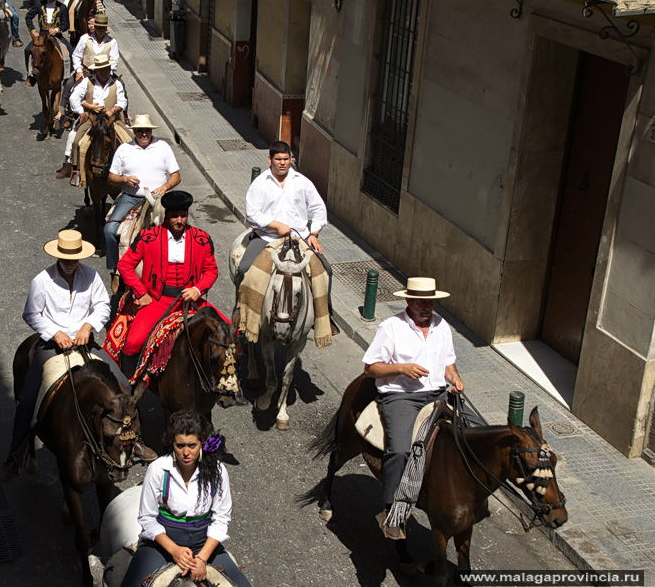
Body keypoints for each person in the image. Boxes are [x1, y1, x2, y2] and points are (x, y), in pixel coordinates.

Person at [2, 229, 129, 476]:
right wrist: (54, 333)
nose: (71, 263)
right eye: (66, 258)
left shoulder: (91, 277)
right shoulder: (42, 281)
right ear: (58, 257)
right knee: (28, 401)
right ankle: (15, 454)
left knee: (123, 386)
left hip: (85, 343)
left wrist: (88, 325)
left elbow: (103, 305)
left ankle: (132, 442)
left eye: (75, 258)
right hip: (51, 346)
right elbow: (31, 314)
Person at [361, 276, 464, 539]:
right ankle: (391, 510)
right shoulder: (391, 327)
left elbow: (448, 364)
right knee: (400, 450)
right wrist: (401, 368)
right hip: (402, 396)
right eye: (421, 301)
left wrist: (455, 378)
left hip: (437, 395)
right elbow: (371, 368)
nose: (426, 307)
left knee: (470, 437)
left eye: (430, 301)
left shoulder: (442, 327)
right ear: (409, 300)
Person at [119, 409, 251, 587]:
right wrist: (174, 551)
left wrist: (202, 559)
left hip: (204, 542)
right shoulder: (158, 470)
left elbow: (221, 517)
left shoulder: (218, 471)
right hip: (163, 543)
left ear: (202, 444)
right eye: (180, 446)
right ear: (172, 444)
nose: (186, 452)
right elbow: (147, 517)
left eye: (192, 445)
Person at [237, 140, 338, 335]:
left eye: (286, 159)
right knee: (244, 268)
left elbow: (318, 209)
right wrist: (275, 225)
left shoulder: (302, 182)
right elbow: (252, 214)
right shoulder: (260, 183)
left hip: (299, 237)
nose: (282, 163)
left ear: (291, 159)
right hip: (267, 237)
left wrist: (314, 234)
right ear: (270, 159)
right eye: (278, 159)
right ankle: (240, 311)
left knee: (326, 270)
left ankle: (325, 317)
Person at [116, 190, 218, 379]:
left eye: (183, 215)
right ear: (166, 215)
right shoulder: (148, 237)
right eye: (175, 216)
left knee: (227, 333)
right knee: (133, 343)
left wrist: (197, 289)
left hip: (190, 302)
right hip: (156, 300)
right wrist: (141, 293)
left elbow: (211, 270)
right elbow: (124, 265)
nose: (180, 220)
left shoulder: (202, 239)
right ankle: (127, 387)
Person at [101, 114, 180, 289]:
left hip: (159, 198)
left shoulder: (163, 147)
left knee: (177, 227)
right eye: (139, 131)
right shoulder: (124, 149)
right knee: (109, 229)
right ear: (134, 132)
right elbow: (111, 177)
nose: (143, 134)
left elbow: (176, 176)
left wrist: (165, 186)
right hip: (131, 197)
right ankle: (115, 269)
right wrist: (124, 180)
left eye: (146, 131)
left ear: (151, 131)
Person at [62, 53, 128, 182]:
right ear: (96, 70)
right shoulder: (87, 82)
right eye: (101, 69)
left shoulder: (117, 84)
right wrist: (87, 107)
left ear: (110, 69)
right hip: (92, 119)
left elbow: (122, 101)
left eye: (106, 69)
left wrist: (113, 110)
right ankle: (76, 171)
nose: (104, 72)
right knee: (76, 141)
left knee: (128, 139)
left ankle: (127, 170)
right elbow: (74, 98)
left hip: (111, 120)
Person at [23, 0, 69, 83]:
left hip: (56, 36)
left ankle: (68, 77)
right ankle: (30, 74)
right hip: (42, 36)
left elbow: (65, 25)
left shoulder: (62, 7)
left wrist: (56, 30)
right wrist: (32, 30)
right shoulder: (39, 4)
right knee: (27, 50)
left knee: (70, 51)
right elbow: (28, 17)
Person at [71, 12, 118, 82]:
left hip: (105, 74)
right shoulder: (85, 38)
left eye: (103, 28)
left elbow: (114, 60)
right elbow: (76, 55)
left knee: (121, 85)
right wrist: (79, 71)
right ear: (95, 27)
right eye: (99, 27)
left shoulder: (112, 42)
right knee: (69, 84)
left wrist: (108, 73)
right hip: (87, 73)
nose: (101, 30)